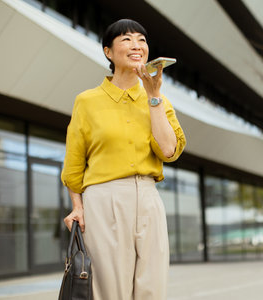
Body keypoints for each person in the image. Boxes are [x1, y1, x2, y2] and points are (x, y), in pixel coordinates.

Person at [61, 19, 186, 300]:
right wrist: (77, 207)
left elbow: (168, 150)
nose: (137, 45)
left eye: (142, 40)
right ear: (108, 52)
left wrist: (153, 97)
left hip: (149, 198)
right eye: (127, 39)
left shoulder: (159, 100)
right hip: (104, 200)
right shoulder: (87, 101)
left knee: (152, 289)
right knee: (110, 290)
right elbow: (74, 162)